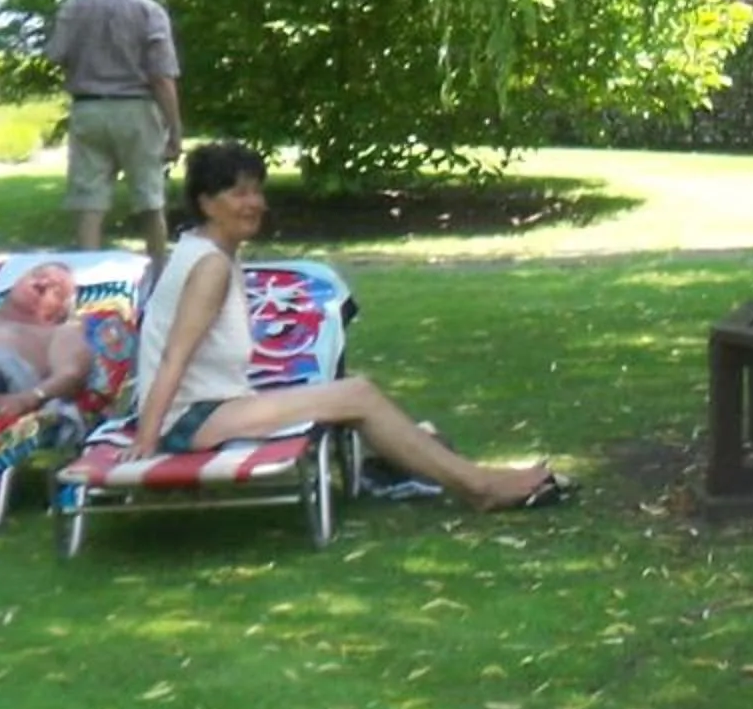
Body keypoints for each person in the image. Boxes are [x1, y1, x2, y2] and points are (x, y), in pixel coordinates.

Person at [131, 142, 569, 512]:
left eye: (258, 191)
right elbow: (173, 356)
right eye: (239, 193)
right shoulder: (209, 266)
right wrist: (148, 442)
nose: (256, 204)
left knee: (354, 392)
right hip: (189, 419)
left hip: (206, 408)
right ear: (207, 203)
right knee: (357, 394)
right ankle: (479, 486)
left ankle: (459, 473)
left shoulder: (205, 249)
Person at [47, 0, 186, 259]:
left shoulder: (75, 5)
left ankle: (87, 274)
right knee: (150, 200)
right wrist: (175, 131)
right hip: (137, 110)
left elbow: (56, 54)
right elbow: (162, 77)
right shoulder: (150, 11)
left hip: (88, 108)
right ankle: (158, 271)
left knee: (88, 202)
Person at [0, 260, 97, 471]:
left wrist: (29, 398)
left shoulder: (60, 332)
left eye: (56, 290)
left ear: (60, 312)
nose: (42, 283)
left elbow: (71, 374)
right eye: (37, 275)